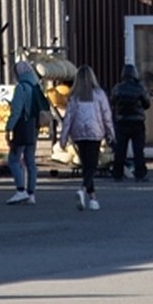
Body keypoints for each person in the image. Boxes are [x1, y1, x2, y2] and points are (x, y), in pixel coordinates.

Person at [59, 64, 114, 211]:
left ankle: (93, 199)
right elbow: (106, 115)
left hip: (78, 133)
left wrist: (63, 137)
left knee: (86, 166)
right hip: (95, 132)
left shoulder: (74, 96)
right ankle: (83, 189)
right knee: (92, 166)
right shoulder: (99, 94)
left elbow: (68, 118)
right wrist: (111, 133)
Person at [5, 59, 48, 205]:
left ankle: (20, 190)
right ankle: (31, 193)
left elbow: (16, 111)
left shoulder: (21, 87)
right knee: (30, 160)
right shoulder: (36, 86)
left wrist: (9, 127)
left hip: (22, 126)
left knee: (13, 159)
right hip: (34, 126)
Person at [109, 63, 151, 182]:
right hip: (137, 122)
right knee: (138, 149)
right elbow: (147, 104)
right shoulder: (139, 88)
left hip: (122, 121)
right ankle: (140, 174)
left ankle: (117, 173)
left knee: (120, 149)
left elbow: (112, 102)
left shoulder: (117, 88)